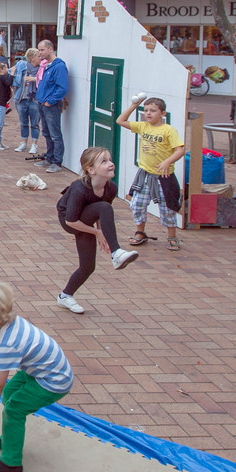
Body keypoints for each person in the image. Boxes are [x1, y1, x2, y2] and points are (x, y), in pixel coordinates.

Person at [0, 276, 74, 472]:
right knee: (11, 392)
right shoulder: (7, 321)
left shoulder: (8, 343)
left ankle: (11, 461)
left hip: (53, 381)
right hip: (41, 371)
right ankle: (10, 438)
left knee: (13, 408)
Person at [54, 147, 140, 314]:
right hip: (69, 219)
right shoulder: (80, 189)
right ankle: (117, 254)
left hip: (86, 218)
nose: (111, 164)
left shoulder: (111, 188)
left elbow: (102, 214)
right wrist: (97, 233)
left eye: (110, 159)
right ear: (90, 170)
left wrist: (103, 233)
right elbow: (71, 221)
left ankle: (65, 296)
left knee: (87, 266)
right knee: (104, 207)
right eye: (104, 161)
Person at [117, 95, 185, 252]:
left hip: (164, 177)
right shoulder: (143, 126)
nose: (148, 113)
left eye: (153, 110)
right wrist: (134, 105)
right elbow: (120, 121)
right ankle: (140, 232)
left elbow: (180, 150)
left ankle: (172, 236)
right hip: (145, 175)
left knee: (167, 208)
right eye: (146, 110)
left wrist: (168, 161)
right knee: (137, 205)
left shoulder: (168, 130)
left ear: (162, 113)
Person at [34, 39, 68, 173]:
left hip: (50, 105)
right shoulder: (47, 66)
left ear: (50, 49)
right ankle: (49, 157)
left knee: (55, 134)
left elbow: (63, 87)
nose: (40, 53)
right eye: (39, 50)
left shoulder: (58, 66)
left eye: (42, 50)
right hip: (42, 103)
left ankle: (57, 161)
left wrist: (51, 100)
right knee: (47, 132)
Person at [11, 47, 42, 155]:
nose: (40, 58)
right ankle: (23, 142)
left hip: (35, 99)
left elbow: (44, 82)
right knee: (23, 122)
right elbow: (12, 74)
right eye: (38, 56)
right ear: (32, 58)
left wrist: (34, 79)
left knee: (35, 123)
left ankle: (34, 144)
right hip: (21, 98)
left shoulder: (42, 68)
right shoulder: (21, 66)